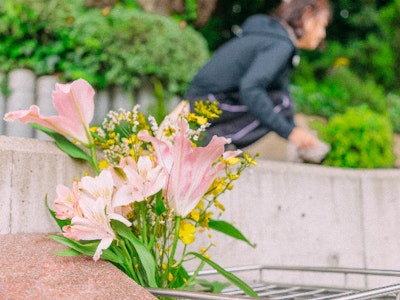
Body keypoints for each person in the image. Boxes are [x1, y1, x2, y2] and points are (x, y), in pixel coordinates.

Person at [185, 0, 332, 162]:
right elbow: (251, 88)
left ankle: (215, 140)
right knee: (279, 104)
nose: (323, 34)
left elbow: (281, 93)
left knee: (281, 102)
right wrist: (290, 132)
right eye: (323, 25)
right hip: (207, 104)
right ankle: (216, 141)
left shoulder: (274, 38)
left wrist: (294, 130)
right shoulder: (280, 44)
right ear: (307, 14)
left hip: (203, 101)